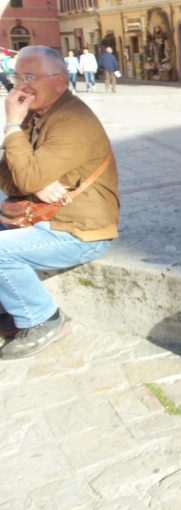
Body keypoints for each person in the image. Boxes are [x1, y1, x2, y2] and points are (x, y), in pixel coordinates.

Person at [0, 46, 119, 359]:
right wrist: (36, 185)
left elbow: (23, 177)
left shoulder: (72, 121)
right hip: (44, 216)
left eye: (29, 77)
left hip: (79, 232)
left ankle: (43, 318)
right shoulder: (38, 115)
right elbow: (7, 175)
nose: (20, 86)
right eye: (16, 76)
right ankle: (6, 308)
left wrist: (11, 125)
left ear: (59, 82)